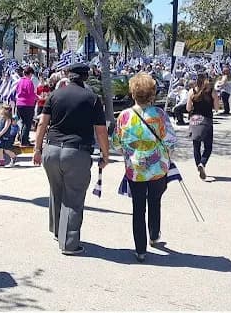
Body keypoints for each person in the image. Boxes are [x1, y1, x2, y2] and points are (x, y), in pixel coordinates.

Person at [32, 63, 109, 256]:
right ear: (85, 77)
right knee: (73, 197)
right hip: (76, 152)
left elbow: (42, 122)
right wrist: (105, 154)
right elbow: (101, 130)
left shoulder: (55, 95)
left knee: (56, 191)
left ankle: (58, 230)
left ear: (68, 75)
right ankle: (69, 243)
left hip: (51, 150)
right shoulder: (92, 99)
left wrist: (37, 148)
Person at [112, 73, 177, 262]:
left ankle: (140, 249)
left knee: (138, 208)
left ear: (133, 93)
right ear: (152, 94)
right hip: (158, 168)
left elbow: (116, 143)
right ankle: (154, 234)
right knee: (155, 200)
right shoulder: (159, 115)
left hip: (135, 169)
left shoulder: (124, 116)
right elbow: (171, 140)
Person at [186, 73, 217, 181]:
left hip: (195, 120)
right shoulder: (211, 91)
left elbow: (188, 108)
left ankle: (198, 165)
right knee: (208, 147)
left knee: (196, 146)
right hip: (207, 119)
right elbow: (217, 107)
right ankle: (202, 163)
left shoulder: (191, 91)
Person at [15, 66, 37, 146]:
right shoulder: (29, 82)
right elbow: (31, 94)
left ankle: (22, 138)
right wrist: (38, 98)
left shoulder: (19, 81)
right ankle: (25, 141)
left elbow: (17, 91)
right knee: (27, 123)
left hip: (19, 104)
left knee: (22, 122)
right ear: (30, 73)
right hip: (27, 104)